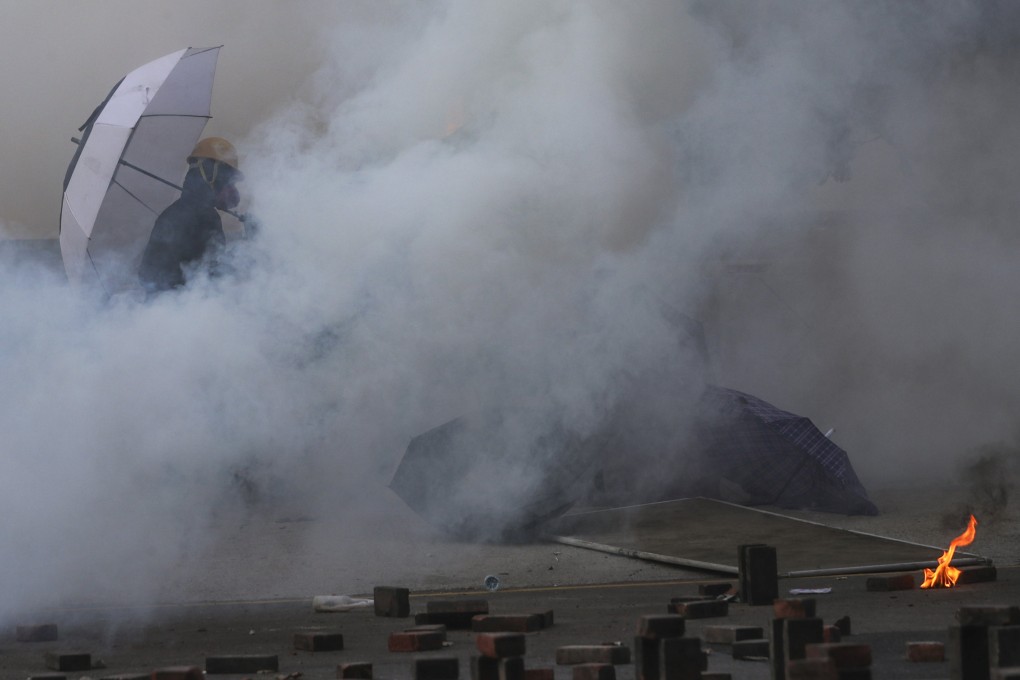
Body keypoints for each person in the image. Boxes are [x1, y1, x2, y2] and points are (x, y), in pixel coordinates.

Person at [138, 137, 243, 295]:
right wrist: (250, 245)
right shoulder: (204, 217)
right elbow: (215, 274)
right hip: (179, 310)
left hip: (165, 309)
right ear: (213, 178)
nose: (233, 190)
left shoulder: (179, 211)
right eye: (229, 182)